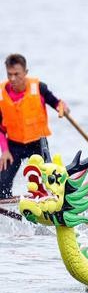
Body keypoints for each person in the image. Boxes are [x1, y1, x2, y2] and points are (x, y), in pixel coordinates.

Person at [0, 54, 70, 198]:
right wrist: (5, 151)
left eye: (16, 74)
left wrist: (62, 107)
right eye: (9, 74)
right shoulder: (2, 94)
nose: (12, 79)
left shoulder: (39, 88)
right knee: (1, 186)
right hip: (13, 145)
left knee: (50, 180)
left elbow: (56, 103)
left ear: (25, 72)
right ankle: (8, 207)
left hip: (38, 144)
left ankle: (58, 199)